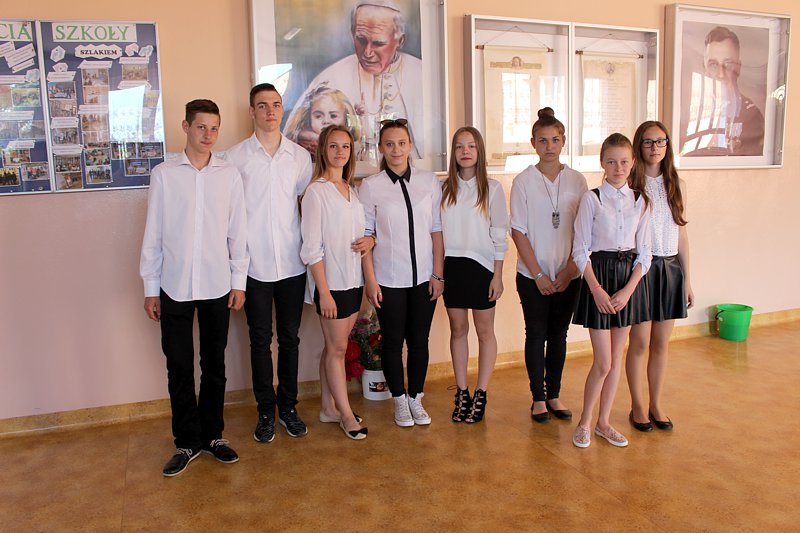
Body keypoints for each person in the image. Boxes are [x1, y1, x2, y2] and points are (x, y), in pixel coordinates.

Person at [140, 99, 248, 476]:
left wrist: (239, 281)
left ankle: (213, 435)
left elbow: (238, 232)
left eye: (214, 128)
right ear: (186, 127)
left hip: (218, 283)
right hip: (174, 285)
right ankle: (187, 441)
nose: (208, 135)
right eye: (201, 127)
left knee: (214, 364)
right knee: (179, 365)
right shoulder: (164, 174)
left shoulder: (229, 175)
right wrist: (151, 287)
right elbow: (154, 233)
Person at [225, 83, 313, 443]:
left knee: (290, 339)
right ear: (252, 111)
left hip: (292, 264)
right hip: (254, 266)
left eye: (276, 104)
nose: (270, 111)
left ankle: (288, 407)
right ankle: (265, 410)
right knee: (259, 340)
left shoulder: (299, 157)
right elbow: (230, 217)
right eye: (262, 105)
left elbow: (306, 208)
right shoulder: (234, 158)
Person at [358, 118, 443, 426]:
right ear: (381, 148)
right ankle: (398, 399)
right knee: (393, 343)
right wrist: (370, 281)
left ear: (410, 145)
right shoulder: (371, 186)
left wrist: (438, 274)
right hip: (388, 280)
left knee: (419, 341)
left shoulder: (428, 181)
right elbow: (366, 237)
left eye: (402, 143)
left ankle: (415, 398)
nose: (396, 149)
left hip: (424, 279)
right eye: (390, 144)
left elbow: (436, 230)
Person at [571, 133, 651, 449]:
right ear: (602, 163)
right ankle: (584, 422)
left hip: (627, 281)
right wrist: (596, 290)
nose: (618, 167)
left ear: (632, 163)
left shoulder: (641, 201)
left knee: (617, 359)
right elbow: (580, 250)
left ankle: (604, 423)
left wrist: (629, 290)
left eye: (624, 161)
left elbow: (645, 254)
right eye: (612, 161)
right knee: (603, 362)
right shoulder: (592, 199)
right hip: (599, 279)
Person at [510, 108, 588, 424]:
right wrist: (539, 274)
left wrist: (569, 271)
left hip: (568, 275)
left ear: (563, 141)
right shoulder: (523, 181)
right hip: (533, 276)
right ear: (533, 143)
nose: (549, 146)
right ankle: (538, 398)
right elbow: (518, 231)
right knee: (536, 334)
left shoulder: (577, 181)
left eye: (555, 140)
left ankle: (554, 394)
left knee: (558, 335)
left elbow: (584, 231)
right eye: (542, 140)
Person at [300, 125, 374, 440]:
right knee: (338, 348)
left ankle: (327, 408)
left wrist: (371, 240)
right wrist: (324, 292)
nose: (339, 152)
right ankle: (345, 415)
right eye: (333, 146)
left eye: (345, 146)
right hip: (331, 284)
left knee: (334, 347)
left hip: (353, 281)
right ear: (323, 150)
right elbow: (311, 248)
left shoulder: (351, 190)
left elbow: (361, 234)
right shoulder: (316, 192)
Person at [285, 0, 423, 159]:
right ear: (352, 33)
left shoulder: (418, 73)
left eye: (378, 43)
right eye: (361, 40)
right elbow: (294, 135)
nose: (367, 52)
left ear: (400, 41)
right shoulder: (331, 76)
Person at [626, 121, 694, 432]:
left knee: (661, 344)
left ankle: (656, 403)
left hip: (671, 270)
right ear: (638, 145)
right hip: (641, 270)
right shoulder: (630, 184)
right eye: (648, 141)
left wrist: (687, 280)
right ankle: (638, 406)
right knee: (640, 342)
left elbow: (682, 235)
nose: (655, 147)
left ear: (668, 145)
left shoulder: (675, 183)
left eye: (661, 141)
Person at [440, 127, 507, 424]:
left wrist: (497, 275)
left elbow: (499, 235)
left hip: (482, 268)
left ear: (479, 151)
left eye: (471, 146)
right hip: (452, 266)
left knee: (484, 332)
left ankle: (481, 392)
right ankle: (462, 392)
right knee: (458, 330)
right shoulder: (443, 188)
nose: (465, 151)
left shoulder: (492, 188)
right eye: (459, 146)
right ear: (453, 152)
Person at [683, 26, 765, 156]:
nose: (721, 74)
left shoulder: (751, 116)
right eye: (713, 64)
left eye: (728, 64)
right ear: (705, 68)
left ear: (738, 68)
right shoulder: (691, 113)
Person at [284, 85, 362, 159]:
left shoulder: (356, 148)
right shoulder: (300, 146)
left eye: (333, 116)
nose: (326, 121)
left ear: (346, 119)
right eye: (318, 116)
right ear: (309, 119)